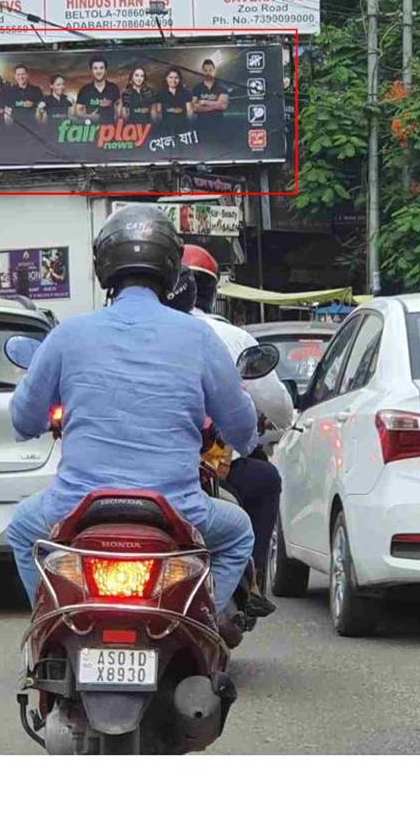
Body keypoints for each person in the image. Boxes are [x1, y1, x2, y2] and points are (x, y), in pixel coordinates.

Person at [5, 205, 258, 640]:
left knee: (22, 528)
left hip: (76, 506)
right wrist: (247, 437)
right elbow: (240, 428)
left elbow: (23, 420)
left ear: (105, 267)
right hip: (177, 509)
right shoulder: (199, 337)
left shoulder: (68, 335)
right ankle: (202, 627)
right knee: (240, 532)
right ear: (170, 269)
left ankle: (51, 630)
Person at [177, 244, 291, 613]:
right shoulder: (224, 338)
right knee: (264, 482)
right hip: (195, 470)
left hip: (118, 475)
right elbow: (272, 408)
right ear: (209, 292)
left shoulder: (118, 334)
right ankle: (251, 585)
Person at [190, 58, 230, 146]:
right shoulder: (197, 88)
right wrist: (215, 105)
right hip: (201, 126)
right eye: (205, 70)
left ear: (214, 70)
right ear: (202, 71)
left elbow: (223, 106)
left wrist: (204, 102)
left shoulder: (222, 87)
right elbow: (193, 107)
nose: (208, 73)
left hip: (219, 126)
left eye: (210, 70)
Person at [74, 57, 120, 123]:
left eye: (101, 68)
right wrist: (89, 117)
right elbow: (77, 111)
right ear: (91, 71)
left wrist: (116, 116)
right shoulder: (85, 90)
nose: (98, 71)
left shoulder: (113, 88)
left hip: (110, 130)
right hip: (92, 129)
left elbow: (118, 103)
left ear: (105, 70)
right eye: (95, 68)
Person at [155, 66, 194, 139]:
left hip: (183, 126)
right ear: (166, 78)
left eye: (176, 78)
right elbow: (159, 112)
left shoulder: (186, 93)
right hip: (166, 128)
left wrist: (190, 126)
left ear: (179, 79)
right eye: (171, 77)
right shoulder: (160, 94)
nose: (173, 80)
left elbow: (189, 111)